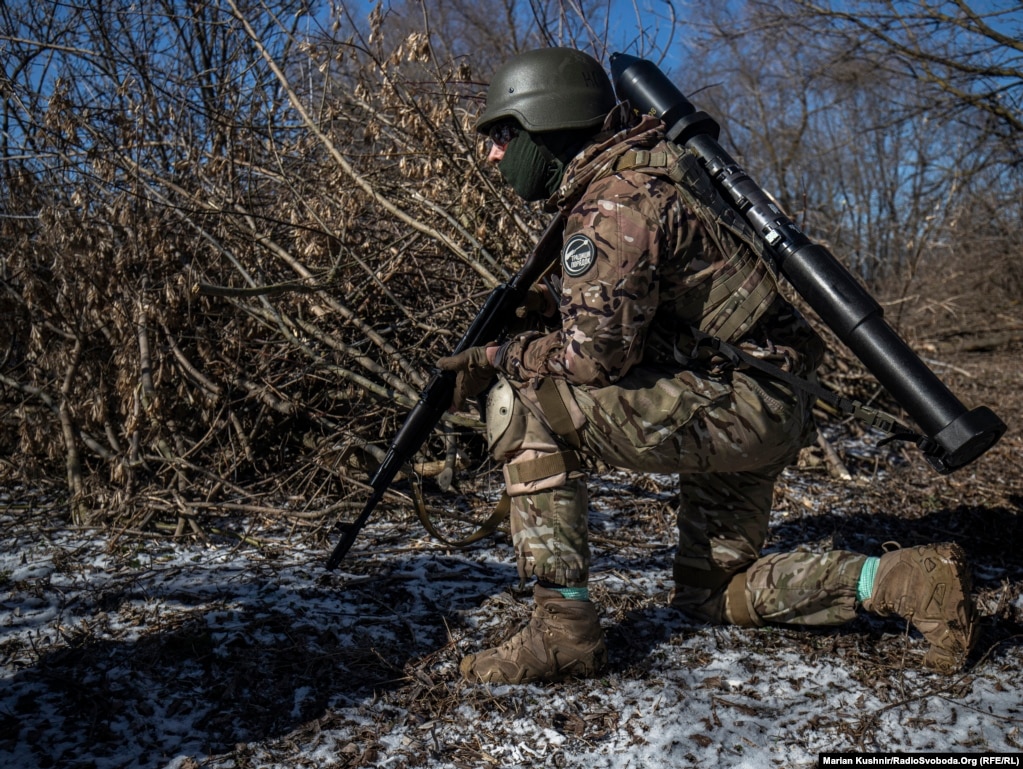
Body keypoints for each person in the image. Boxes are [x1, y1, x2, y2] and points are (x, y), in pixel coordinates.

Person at [437, 47, 976, 685]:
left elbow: (591, 364)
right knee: (714, 592)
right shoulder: (648, 176)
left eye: (502, 134)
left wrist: (501, 355)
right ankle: (905, 582)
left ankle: (563, 633)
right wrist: (556, 303)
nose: (492, 154)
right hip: (760, 400)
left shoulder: (612, 208)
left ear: (546, 126)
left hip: (738, 401)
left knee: (519, 398)